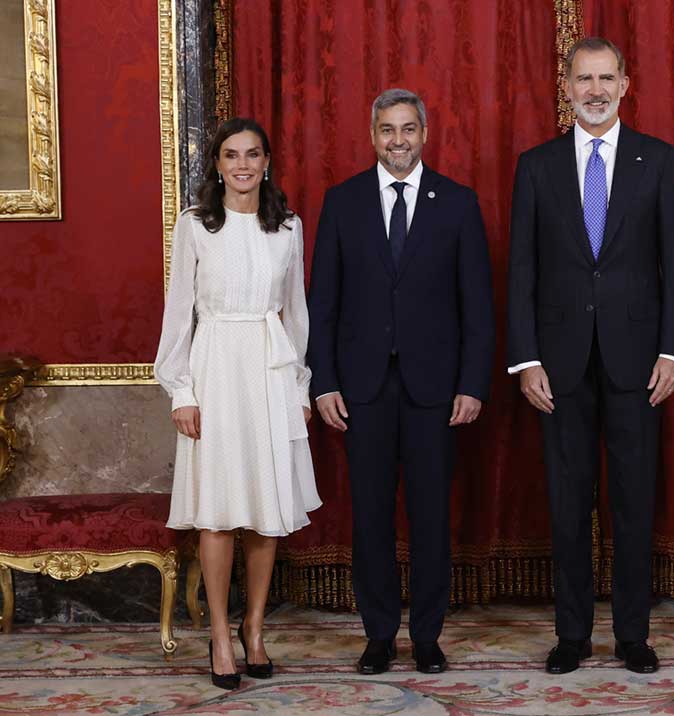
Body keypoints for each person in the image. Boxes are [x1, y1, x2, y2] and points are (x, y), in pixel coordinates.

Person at [506, 37, 674, 675]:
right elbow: (521, 271)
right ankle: (572, 636)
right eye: (583, 79)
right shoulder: (535, 165)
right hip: (556, 366)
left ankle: (633, 636)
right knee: (566, 504)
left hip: (640, 363)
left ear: (625, 83)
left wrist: (673, 349)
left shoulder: (659, 161)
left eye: (605, 78)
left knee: (634, 503)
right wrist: (524, 358)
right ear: (566, 86)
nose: (594, 90)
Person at [307, 88, 495, 675]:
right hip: (361, 389)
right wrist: (324, 382)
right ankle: (379, 634)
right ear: (372, 135)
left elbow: (478, 307)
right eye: (387, 130)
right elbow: (323, 304)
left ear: (425, 133)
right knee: (370, 516)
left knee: (431, 515)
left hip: (435, 390)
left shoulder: (458, 203)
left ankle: (428, 635)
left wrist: (472, 383)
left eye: (408, 129)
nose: (398, 141)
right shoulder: (342, 203)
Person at [154, 118, 321, 690]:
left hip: (270, 372)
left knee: (266, 512)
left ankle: (254, 630)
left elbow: (296, 314)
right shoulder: (196, 225)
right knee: (220, 509)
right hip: (216, 370)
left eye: (252, 154)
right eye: (231, 155)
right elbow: (179, 313)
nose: (243, 164)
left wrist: (300, 388)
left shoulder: (289, 227)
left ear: (267, 161)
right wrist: (182, 390)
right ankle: (220, 634)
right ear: (218, 165)